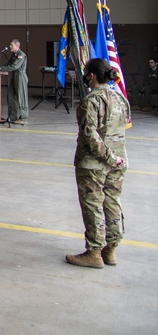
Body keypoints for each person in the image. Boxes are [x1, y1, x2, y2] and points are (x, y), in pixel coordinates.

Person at [65, 58, 130, 269]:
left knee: (93, 205)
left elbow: (90, 137)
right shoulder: (121, 98)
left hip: (95, 164)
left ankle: (94, 252)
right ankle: (110, 249)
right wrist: (115, 159)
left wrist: (108, 158)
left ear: (91, 76)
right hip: (119, 161)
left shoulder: (91, 101)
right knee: (112, 203)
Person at [0, 39, 29, 125]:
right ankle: (13, 116)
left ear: (17, 46)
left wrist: (2, 69)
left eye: (12, 45)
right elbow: (8, 64)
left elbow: (15, 66)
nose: (10, 47)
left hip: (20, 77)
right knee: (11, 96)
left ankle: (24, 117)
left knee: (21, 97)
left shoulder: (21, 55)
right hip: (14, 76)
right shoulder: (14, 55)